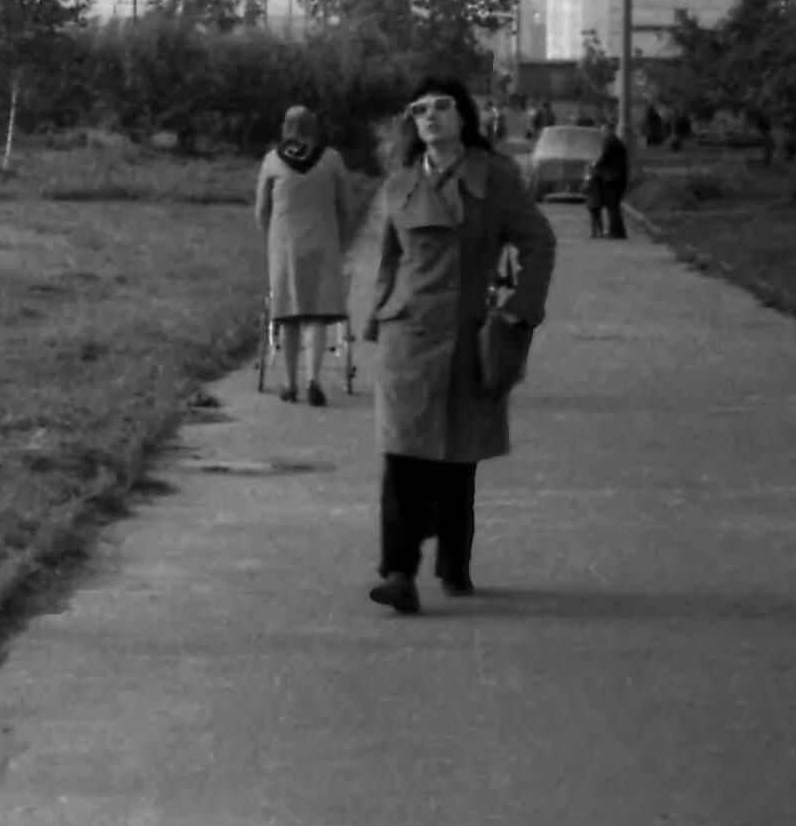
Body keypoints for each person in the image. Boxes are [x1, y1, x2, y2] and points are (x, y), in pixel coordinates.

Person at [361, 76, 557, 613]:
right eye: (419, 109)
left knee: (454, 457)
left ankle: (454, 561)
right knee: (402, 457)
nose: (430, 116)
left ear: (463, 116)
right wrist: (380, 315)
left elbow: (538, 242)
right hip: (409, 335)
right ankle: (399, 572)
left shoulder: (493, 178)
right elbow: (389, 258)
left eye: (442, 106)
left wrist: (519, 311)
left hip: (469, 335)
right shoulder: (399, 182)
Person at [253, 105, 351, 405]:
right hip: (322, 242)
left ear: (286, 127)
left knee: (289, 315)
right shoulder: (331, 159)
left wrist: (269, 234)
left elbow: (261, 211)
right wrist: (342, 237)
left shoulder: (272, 160)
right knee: (316, 315)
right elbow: (346, 205)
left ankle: (289, 382)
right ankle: (314, 380)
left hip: (285, 244)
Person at [589, 123, 630, 240]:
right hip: (618, 177)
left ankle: (616, 232)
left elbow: (604, 159)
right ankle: (618, 231)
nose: (602, 134)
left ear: (609, 131)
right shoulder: (614, 142)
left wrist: (595, 165)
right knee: (614, 206)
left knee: (612, 205)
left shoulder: (610, 142)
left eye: (603, 131)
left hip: (613, 179)